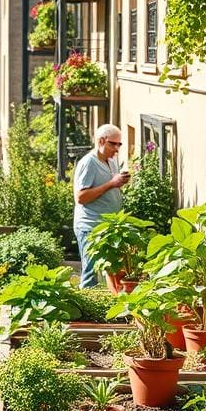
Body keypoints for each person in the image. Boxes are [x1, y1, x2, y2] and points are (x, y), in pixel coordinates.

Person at [73, 123, 130, 288]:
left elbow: (108, 184)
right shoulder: (89, 163)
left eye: (119, 144)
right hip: (91, 227)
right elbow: (81, 197)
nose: (117, 148)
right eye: (113, 143)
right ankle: (86, 308)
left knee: (113, 269)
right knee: (91, 273)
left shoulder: (110, 160)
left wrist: (119, 181)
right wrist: (112, 184)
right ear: (101, 141)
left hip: (107, 227)